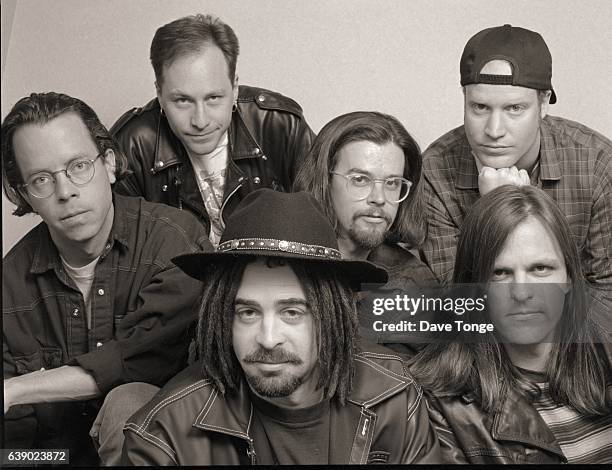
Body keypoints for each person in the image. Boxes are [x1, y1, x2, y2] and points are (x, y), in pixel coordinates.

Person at [122, 189, 441, 465]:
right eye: (247, 312)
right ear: (222, 318)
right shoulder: (165, 431)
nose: (268, 339)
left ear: (333, 316)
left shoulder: (392, 393)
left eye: (292, 312)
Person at [1, 92, 213, 465]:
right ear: (25, 196)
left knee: (126, 401)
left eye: (79, 166)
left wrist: (13, 390)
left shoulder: (174, 241)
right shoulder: (10, 284)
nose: (66, 192)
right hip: (62, 460)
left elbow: (137, 360)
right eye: (42, 179)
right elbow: (17, 440)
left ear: (110, 165)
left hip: (169, 448)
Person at [411, 185, 612, 464]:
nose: (521, 293)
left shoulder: (604, 357)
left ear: (568, 278)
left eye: (540, 269)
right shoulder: (439, 407)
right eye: (500, 273)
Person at [420, 24, 612, 316]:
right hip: (481, 353)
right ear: (464, 98)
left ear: (544, 102)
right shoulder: (434, 172)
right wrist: (496, 212)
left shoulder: (597, 164)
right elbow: (461, 307)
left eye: (514, 109)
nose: (494, 130)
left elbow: (606, 299)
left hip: (576, 347)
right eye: (480, 107)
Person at [111, 14, 315, 247]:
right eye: (182, 101)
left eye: (213, 98)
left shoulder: (278, 125)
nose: (200, 120)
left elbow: (327, 219)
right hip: (176, 280)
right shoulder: (133, 145)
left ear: (235, 87)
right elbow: (121, 254)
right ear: (159, 93)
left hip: (272, 275)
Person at [294, 111, 436, 291]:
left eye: (392, 183)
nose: (379, 198)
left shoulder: (416, 282)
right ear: (324, 181)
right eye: (360, 180)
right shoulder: (279, 268)